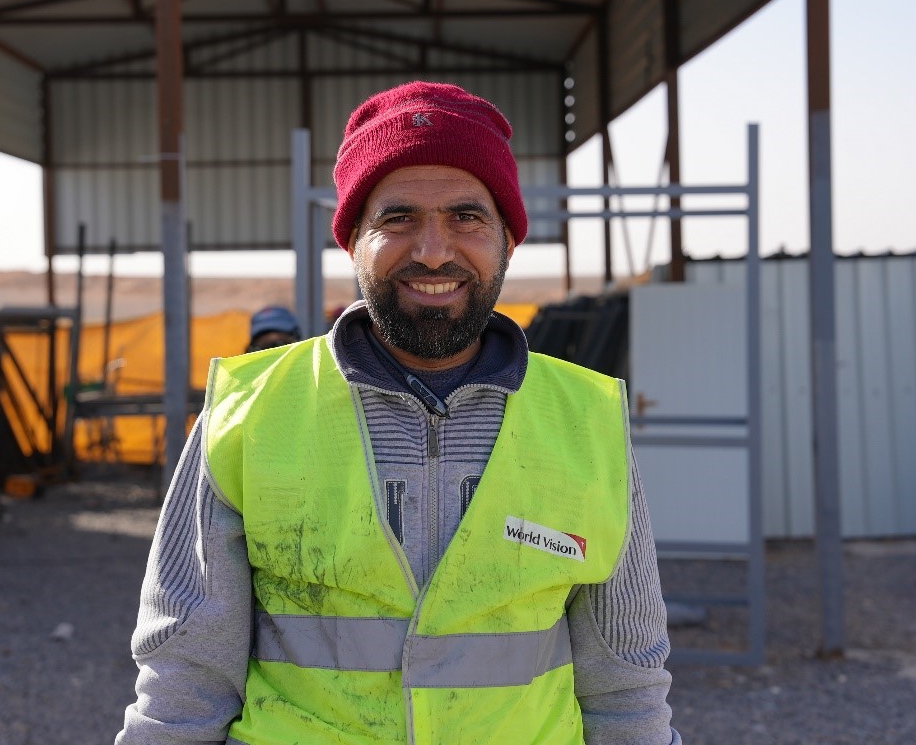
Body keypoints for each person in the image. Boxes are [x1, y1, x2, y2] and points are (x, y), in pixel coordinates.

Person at [117, 81, 680, 745]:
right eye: (399, 218)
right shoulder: (252, 411)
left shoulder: (584, 418)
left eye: (467, 216)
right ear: (352, 238)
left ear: (508, 239)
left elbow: (626, 683)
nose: (435, 250)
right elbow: (184, 675)